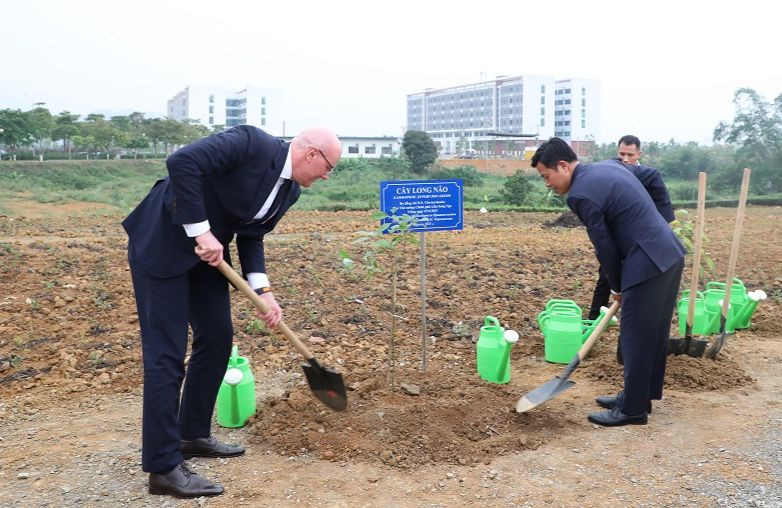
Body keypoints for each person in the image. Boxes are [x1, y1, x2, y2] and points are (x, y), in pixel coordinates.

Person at [122, 125, 341, 498]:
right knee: (167, 356)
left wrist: (264, 292)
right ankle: (163, 468)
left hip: (209, 258)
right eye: (328, 167)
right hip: (163, 244)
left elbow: (252, 235)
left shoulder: (288, 191)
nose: (326, 175)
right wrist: (201, 231)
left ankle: (191, 434)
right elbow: (182, 162)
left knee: (218, 337)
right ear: (312, 154)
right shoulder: (250, 143)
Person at [532, 137, 684, 427]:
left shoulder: (580, 195)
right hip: (668, 253)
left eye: (546, 176)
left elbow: (605, 248)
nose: (547, 184)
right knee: (652, 333)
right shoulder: (611, 166)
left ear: (563, 166)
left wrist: (617, 287)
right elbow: (651, 175)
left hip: (647, 262)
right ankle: (639, 395)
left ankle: (633, 410)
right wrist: (663, 223)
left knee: (636, 337)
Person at [587, 135, 675, 322]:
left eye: (630, 155)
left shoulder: (650, 176)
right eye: (621, 154)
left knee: (642, 280)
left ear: (638, 153)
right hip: (617, 235)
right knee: (606, 276)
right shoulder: (610, 171)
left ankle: (637, 318)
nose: (625, 159)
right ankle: (594, 319)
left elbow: (664, 211)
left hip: (644, 239)